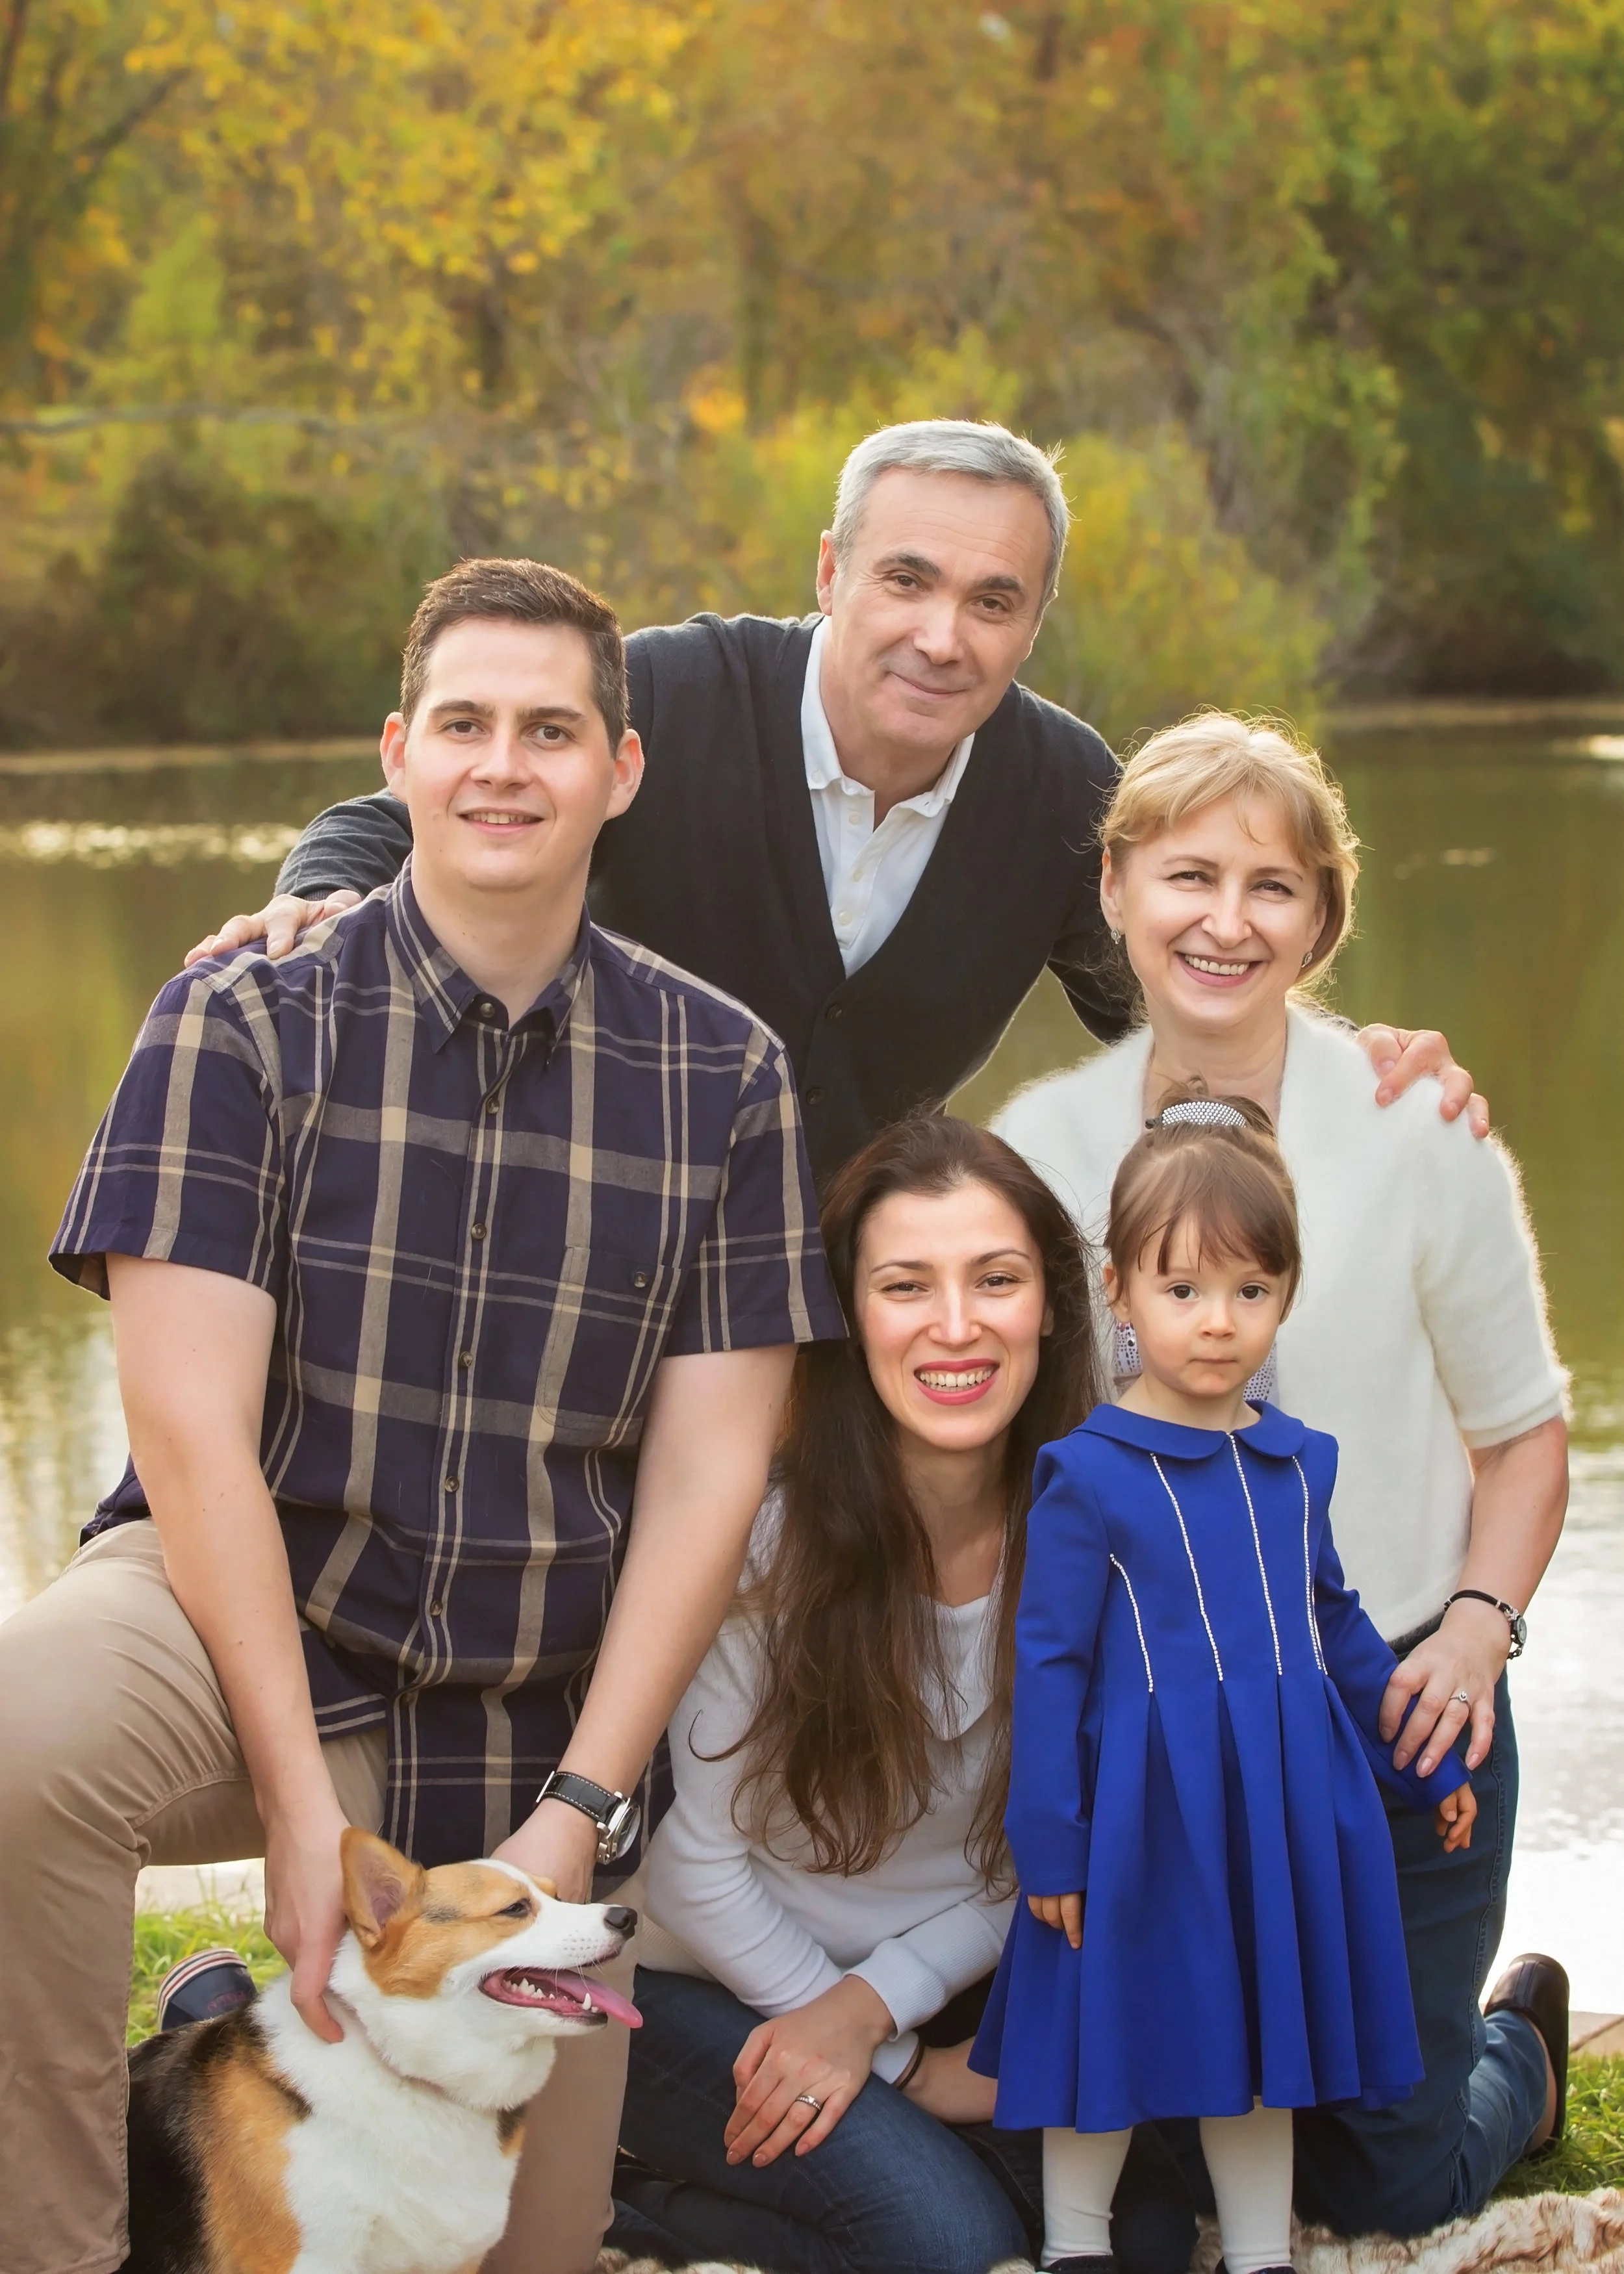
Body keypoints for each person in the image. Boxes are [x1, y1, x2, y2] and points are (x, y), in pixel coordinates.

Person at [0, 557, 845, 2274]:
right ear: (397, 755)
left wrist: (581, 1809)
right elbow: (190, 1439)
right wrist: (301, 1814)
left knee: (522, 2249)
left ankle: (241, 2037)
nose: (501, 766)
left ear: (620, 769)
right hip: (248, 1610)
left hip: (532, 1696)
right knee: (21, 1753)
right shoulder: (238, 1019)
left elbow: (707, 1484)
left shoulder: (726, 1076)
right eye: (463, 723)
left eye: (550, 730)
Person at [186, 420, 1485, 1181]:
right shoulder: (668, 697)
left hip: (844, 1290)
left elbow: (1184, 992)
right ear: (830, 572)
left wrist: (1352, 1069)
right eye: (906, 581)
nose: (941, 637)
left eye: (992, 602)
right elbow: (400, 817)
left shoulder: (1062, 794)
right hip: (589, 1233)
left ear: (1034, 621)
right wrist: (318, 902)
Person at [993, 712, 1571, 2240]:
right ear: (1113, 889)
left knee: (1378, 2180)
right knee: (1141, 2132)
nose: (1225, 921)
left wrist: (1473, 1631)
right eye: (1187, 875)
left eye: (1271, 886)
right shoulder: (1038, 1148)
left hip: (1390, 1699)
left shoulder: (1413, 1127)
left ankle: (1517, 2056)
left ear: (1320, 917)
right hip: (1156, 1743)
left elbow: (1522, 1437)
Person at [608, 1116, 1197, 2274]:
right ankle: (617, 2194)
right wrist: (891, 2062)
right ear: (847, 1315)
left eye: (997, 1279)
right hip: (696, 1979)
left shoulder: (1104, 1544)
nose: (957, 1325)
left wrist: (880, 2010)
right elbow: (689, 1867)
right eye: (905, 1286)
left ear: (1052, 1306)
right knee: (945, 2243)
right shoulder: (763, 1547)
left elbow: (1049, 1857)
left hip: (924, 1987)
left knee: (1143, 2231)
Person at [969, 1096, 1475, 2274]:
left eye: (1251, 1290)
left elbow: (1340, 1631)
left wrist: (1426, 1759)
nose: (1217, 1321)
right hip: (1139, 1816)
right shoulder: (1087, 1473)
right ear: (1119, 1291)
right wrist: (1051, 1840)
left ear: (1286, 1296)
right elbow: (1049, 1666)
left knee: (1259, 2040)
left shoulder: (1297, 1465)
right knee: (1104, 2027)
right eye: (1184, 1288)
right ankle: (1075, 2248)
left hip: (1275, 1806)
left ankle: (1259, 2255)